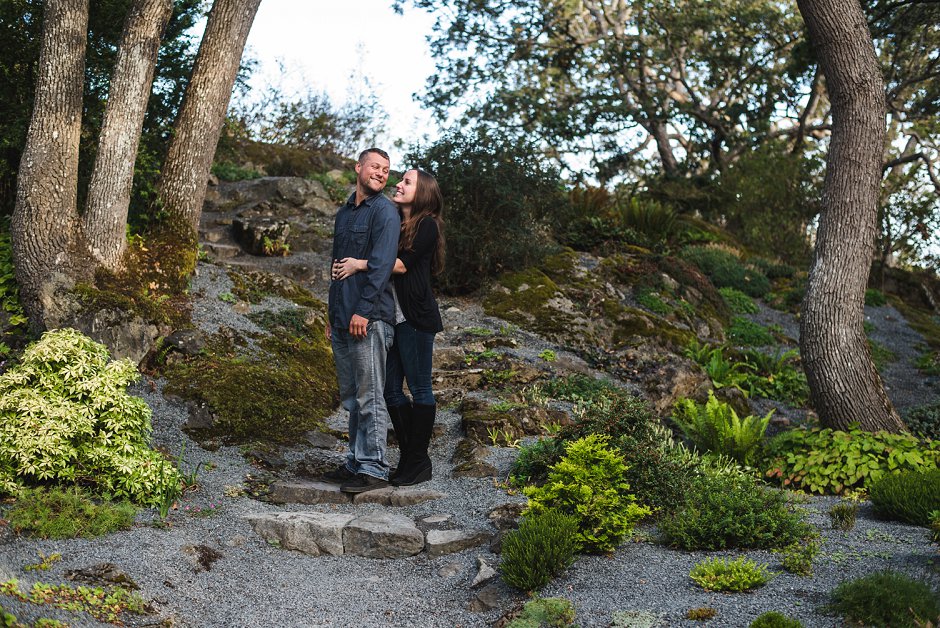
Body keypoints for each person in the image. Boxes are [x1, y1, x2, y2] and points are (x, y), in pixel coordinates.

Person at [332, 168, 444, 486]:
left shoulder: (427, 225)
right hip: (389, 319)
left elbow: (399, 265)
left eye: (407, 182)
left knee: (420, 388)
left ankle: (418, 460)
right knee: (390, 390)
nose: (398, 183)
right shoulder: (394, 220)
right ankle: (409, 457)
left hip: (415, 319)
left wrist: (359, 264)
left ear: (422, 192)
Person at [324, 148, 400, 493]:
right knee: (352, 396)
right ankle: (355, 461)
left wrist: (363, 310)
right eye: (375, 167)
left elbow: (383, 264)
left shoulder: (385, 211)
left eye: (386, 170)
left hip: (369, 317)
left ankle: (374, 467)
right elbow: (337, 268)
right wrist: (333, 315)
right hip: (343, 317)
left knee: (370, 396)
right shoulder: (344, 214)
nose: (382, 173)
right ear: (359, 168)